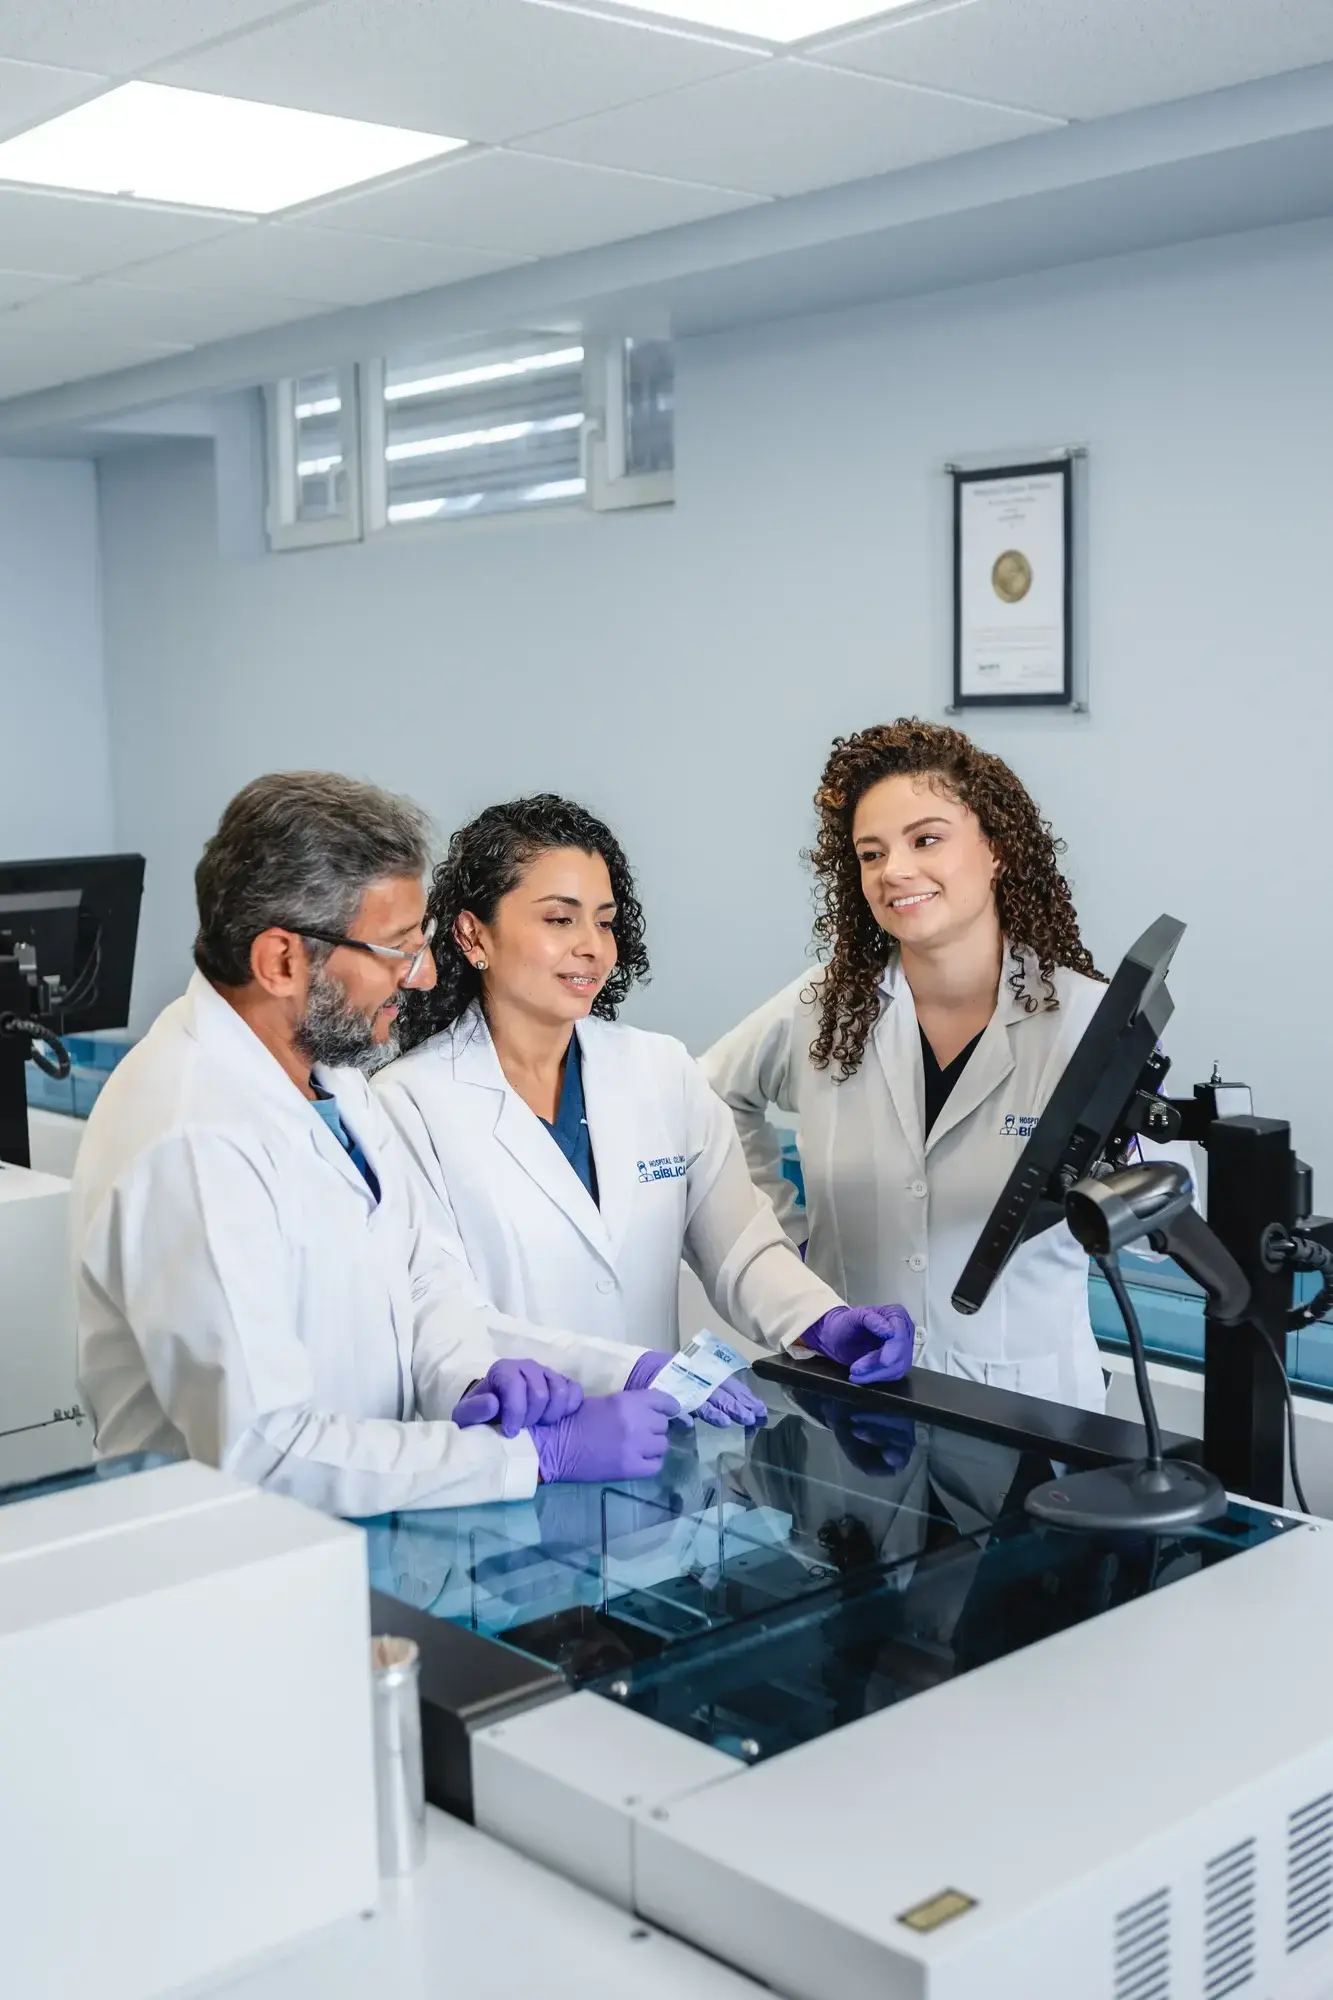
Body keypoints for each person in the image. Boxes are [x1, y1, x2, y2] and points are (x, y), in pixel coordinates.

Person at [71, 771, 683, 1519]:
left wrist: (470, 1374)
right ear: (282, 961)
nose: (423, 975)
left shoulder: (335, 1079)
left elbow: (423, 1280)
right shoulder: (193, 1140)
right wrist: (528, 1456)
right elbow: (265, 1448)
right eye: (397, 949)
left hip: (362, 1542)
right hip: (230, 1566)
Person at [375, 794, 914, 1399]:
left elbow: (739, 1246)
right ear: (475, 936)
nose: (592, 946)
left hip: (659, 1450)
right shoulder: (408, 1104)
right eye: (560, 919)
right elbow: (441, 1315)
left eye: (604, 921)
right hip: (517, 1449)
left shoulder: (659, 1070)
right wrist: (622, 1370)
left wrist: (821, 1319)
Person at [702, 718, 1162, 1412]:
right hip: (850, 1389)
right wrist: (780, 1242)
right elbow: (707, 1097)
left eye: (925, 840)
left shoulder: (1086, 1022)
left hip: (1026, 1403)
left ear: (996, 850)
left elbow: (1165, 1223)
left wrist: (1115, 1157)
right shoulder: (824, 1005)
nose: (895, 872)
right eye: (870, 853)